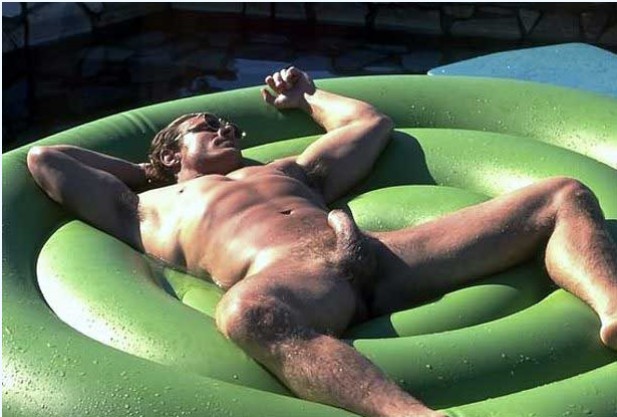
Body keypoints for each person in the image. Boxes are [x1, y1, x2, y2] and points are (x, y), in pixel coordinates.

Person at [27, 67, 617, 417]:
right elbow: (46, 158)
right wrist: (149, 171)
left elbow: (368, 125)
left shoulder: (287, 169)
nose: (227, 128)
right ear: (171, 151)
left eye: (227, 124)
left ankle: (613, 309)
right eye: (208, 127)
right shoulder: (143, 209)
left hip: (380, 251)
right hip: (293, 278)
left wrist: (306, 96)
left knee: (561, 193)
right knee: (246, 311)